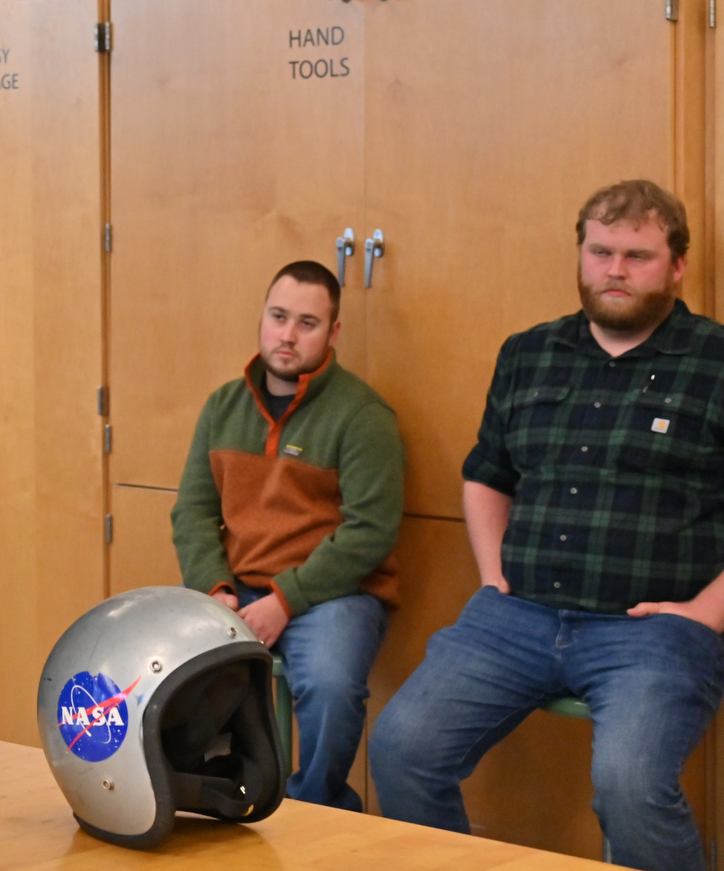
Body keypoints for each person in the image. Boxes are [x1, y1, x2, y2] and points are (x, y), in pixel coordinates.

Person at [370, 180, 724, 871]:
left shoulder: (715, 360)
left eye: (637, 255)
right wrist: (494, 572)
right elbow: (486, 474)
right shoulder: (529, 353)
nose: (615, 269)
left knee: (629, 788)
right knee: (401, 747)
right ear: (581, 255)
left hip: (651, 632)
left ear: (678, 266)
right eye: (600, 251)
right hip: (516, 616)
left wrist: (706, 613)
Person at [170, 260, 402, 810]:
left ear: (333, 333)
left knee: (330, 686)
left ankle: (316, 812)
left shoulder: (364, 415)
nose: (288, 335)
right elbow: (194, 511)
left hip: (332, 596)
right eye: (278, 317)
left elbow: (371, 531)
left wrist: (285, 600)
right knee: (171, 669)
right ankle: (211, 799)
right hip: (237, 589)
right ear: (262, 319)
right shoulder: (223, 406)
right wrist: (215, 588)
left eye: (307, 323)